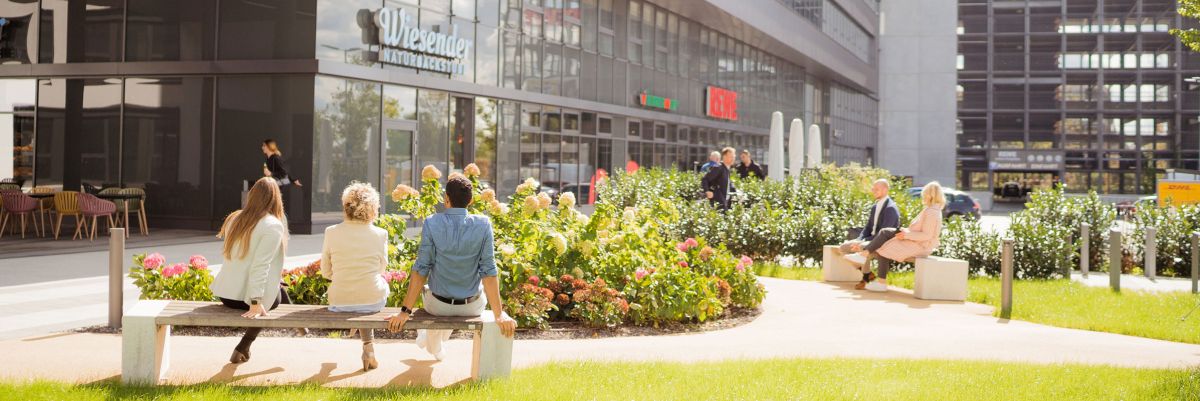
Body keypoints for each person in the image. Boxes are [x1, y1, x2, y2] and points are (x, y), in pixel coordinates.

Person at [387, 175, 517, 360]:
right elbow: (488, 271)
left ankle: (430, 342)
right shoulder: (483, 224)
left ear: (446, 198)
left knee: (431, 295)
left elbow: (421, 269)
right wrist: (499, 314)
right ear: (470, 200)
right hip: (471, 307)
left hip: (437, 306)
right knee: (450, 301)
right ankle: (431, 342)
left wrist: (404, 312)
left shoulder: (432, 222)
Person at [210, 177, 292, 364]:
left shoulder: (234, 218)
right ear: (276, 198)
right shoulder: (272, 224)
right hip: (246, 299)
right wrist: (256, 301)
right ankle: (243, 346)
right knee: (273, 297)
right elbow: (260, 266)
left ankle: (302, 329)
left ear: (252, 195)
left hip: (227, 295)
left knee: (277, 285)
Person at [320, 182, 389, 371]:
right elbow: (381, 270)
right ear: (373, 208)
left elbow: (326, 272)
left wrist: (345, 276)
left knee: (358, 291)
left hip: (339, 301)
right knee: (374, 286)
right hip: (372, 300)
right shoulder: (380, 234)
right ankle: (368, 349)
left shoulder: (331, 232)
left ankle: (367, 346)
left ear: (345, 206)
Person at [856, 181, 946, 292]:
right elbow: (920, 231)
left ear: (930, 195)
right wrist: (905, 232)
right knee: (885, 233)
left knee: (883, 246)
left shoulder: (932, 212)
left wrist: (906, 235)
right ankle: (868, 262)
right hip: (914, 241)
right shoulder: (931, 209)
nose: (922, 196)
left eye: (924, 193)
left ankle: (878, 279)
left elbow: (927, 235)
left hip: (920, 246)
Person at [839, 179, 901, 289]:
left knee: (862, 247)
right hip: (869, 239)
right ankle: (868, 274)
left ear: (886, 190)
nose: (873, 191)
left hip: (880, 242)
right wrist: (860, 239)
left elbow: (883, 235)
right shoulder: (875, 206)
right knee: (843, 248)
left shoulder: (890, 209)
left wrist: (863, 242)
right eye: (873, 189)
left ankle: (865, 278)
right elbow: (868, 227)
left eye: (877, 189)